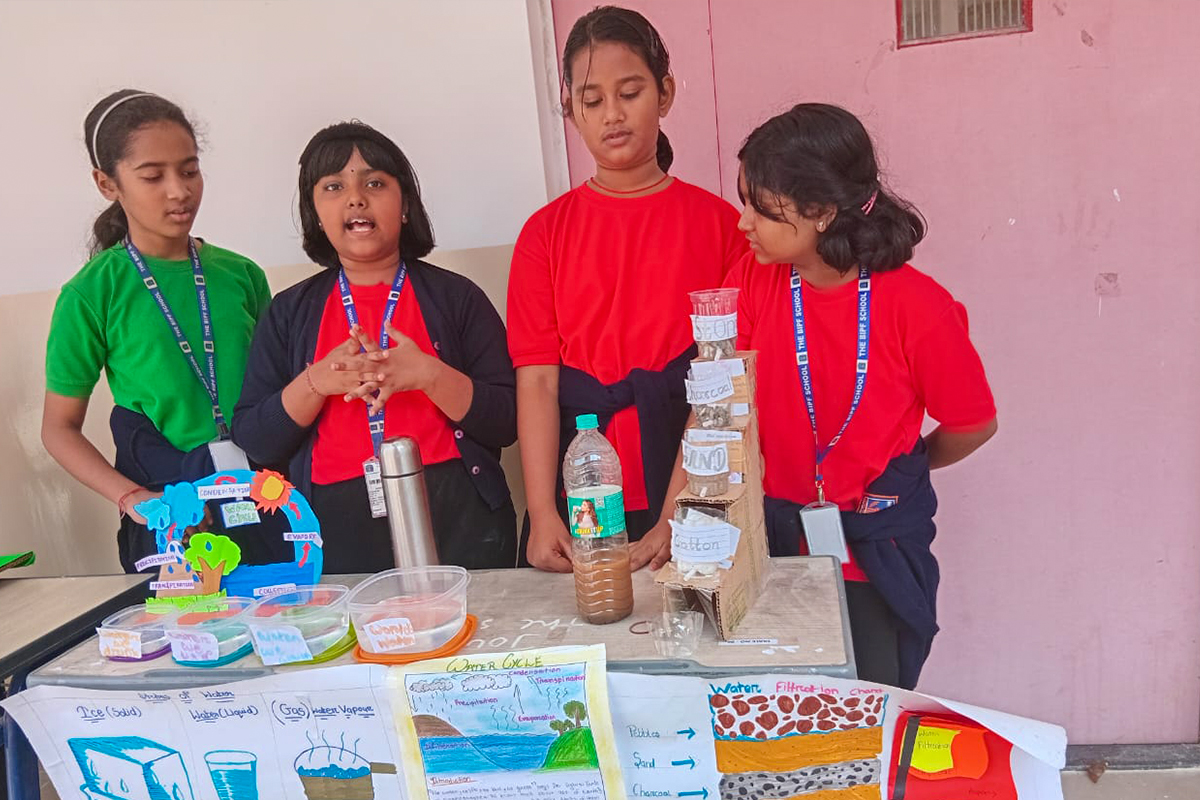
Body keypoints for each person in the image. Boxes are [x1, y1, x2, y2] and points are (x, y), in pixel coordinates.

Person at [729, 103, 998, 688]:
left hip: (872, 557)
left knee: (866, 716)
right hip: (772, 548)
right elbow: (723, 404)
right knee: (779, 712)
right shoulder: (755, 280)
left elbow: (973, 422)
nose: (744, 222)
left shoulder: (918, 306)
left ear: (822, 211)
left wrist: (905, 469)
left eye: (762, 208)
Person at [508, 5, 747, 573]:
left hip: (692, 472)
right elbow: (537, 380)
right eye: (592, 101)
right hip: (583, 478)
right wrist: (542, 512)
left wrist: (681, 510)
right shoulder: (544, 233)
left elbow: (723, 379)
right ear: (570, 110)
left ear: (665, 93)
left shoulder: (722, 227)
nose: (612, 115)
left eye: (630, 93)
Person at [233, 122, 517, 573]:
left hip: (461, 518)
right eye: (333, 186)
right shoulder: (288, 312)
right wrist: (315, 382)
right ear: (315, 213)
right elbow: (255, 440)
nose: (355, 198)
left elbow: (507, 421)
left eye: (375, 183)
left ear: (405, 206)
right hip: (333, 529)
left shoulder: (458, 297)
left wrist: (430, 375)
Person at [41, 90, 275, 572]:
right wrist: (132, 498)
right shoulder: (91, 293)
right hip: (172, 516)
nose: (179, 191)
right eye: (153, 176)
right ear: (107, 183)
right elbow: (58, 428)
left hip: (263, 500)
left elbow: (276, 392)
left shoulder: (242, 275)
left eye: (189, 171)